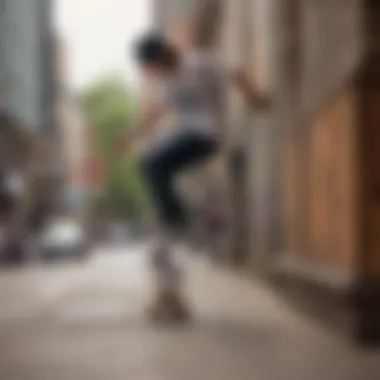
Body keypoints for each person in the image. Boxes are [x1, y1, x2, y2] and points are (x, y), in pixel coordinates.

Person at [119, 31, 271, 322]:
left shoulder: (199, 63)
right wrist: (132, 135)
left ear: (165, 53)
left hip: (207, 136)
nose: (157, 72)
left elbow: (235, 72)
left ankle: (175, 215)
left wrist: (254, 97)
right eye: (152, 70)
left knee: (152, 163)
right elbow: (155, 114)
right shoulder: (163, 81)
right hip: (186, 140)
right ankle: (170, 284)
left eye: (157, 65)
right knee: (149, 167)